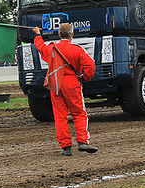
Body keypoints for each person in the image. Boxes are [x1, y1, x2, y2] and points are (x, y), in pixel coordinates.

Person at [32, 23, 98, 156]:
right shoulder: (78, 50)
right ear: (72, 35)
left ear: (59, 34)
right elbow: (91, 65)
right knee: (79, 113)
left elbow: (40, 47)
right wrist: (85, 77)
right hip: (72, 83)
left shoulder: (52, 49)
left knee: (60, 116)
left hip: (55, 83)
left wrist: (38, 35)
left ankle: (66, 147)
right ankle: (82, 141)